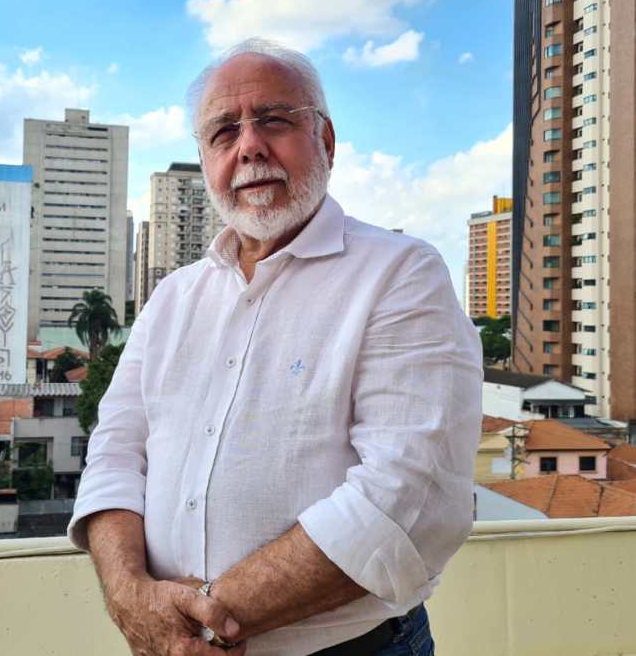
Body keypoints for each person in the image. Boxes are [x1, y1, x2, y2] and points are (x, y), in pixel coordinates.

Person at [68, 38, 483, 656]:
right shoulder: (172, 297)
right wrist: (131, 597)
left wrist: (200, 624)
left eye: (274, 120)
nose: (249, 146)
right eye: (223, 132)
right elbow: (114, 455)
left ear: (326, 140)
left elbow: (408, 496)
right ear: (206, 159)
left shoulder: (400, 274)